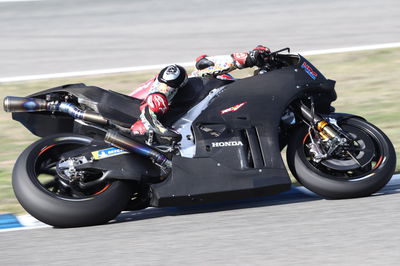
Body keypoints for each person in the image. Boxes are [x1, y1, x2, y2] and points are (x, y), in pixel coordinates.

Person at [130, 45, 271, 142]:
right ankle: (149, 117)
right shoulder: (205, 80)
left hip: (180, 124)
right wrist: (248, 58)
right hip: (137, 104)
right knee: (175, 72)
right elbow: (204, 64)